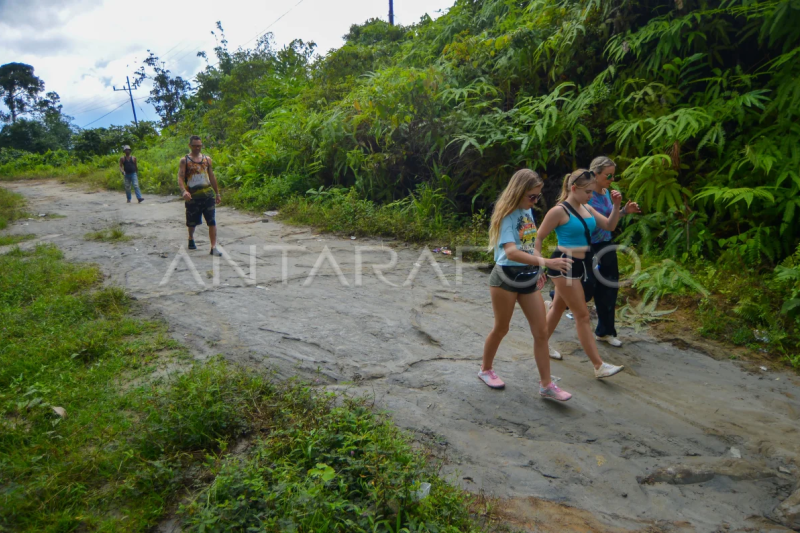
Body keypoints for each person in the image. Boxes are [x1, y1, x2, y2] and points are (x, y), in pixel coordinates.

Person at [479, 169, 574, 401]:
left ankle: (546, 385)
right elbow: (511, 251)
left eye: (537, 197)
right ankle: (485, 370)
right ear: (519, 192)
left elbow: (530, 244)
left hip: (528, 276)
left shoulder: (528, 211)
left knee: (541, 332)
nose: (535, 201)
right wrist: (546, 261)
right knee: (502, 328)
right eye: (531, 196)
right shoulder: (507, 215)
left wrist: (539, 269)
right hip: (506, 277)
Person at [534, 169, 625, 379]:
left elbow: (610, 225)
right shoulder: (558, 211)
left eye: (592, 192)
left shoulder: (588, 207)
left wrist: (617, 205)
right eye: (587, 192)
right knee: (582, 315)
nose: (591, 196)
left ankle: (542, 343)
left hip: (583, 263)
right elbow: (538, 238)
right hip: (563, 265)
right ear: (573, 188)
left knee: (558, 307)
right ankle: (598, 365)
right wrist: (540, 264)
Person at [587, 156, 641, 347]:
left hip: (606, 244)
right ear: (595, 174)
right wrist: (618, 207)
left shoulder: (605, 191)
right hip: (589, 246)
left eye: (613, 176)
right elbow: (605, 222)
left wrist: (625, 210)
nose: (611, 180)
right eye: (608, 176)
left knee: (609, 288)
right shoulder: (587, 196)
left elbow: (610, 218)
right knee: (585, 288)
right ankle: (555, 302)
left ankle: (605, 331)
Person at [178, 135, 222, 256]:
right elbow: (181, 177)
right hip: (192, 197)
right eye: (195, 146)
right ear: (190, 146)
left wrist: (217, 193)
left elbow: (212, 177)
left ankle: (213, 247)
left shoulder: (207, 160)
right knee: (192, 222)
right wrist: (184, 191)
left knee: (212, 221)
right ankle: (191, 237)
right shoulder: (185, 160)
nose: (197, 148)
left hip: (208, 195)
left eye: (199, 146)